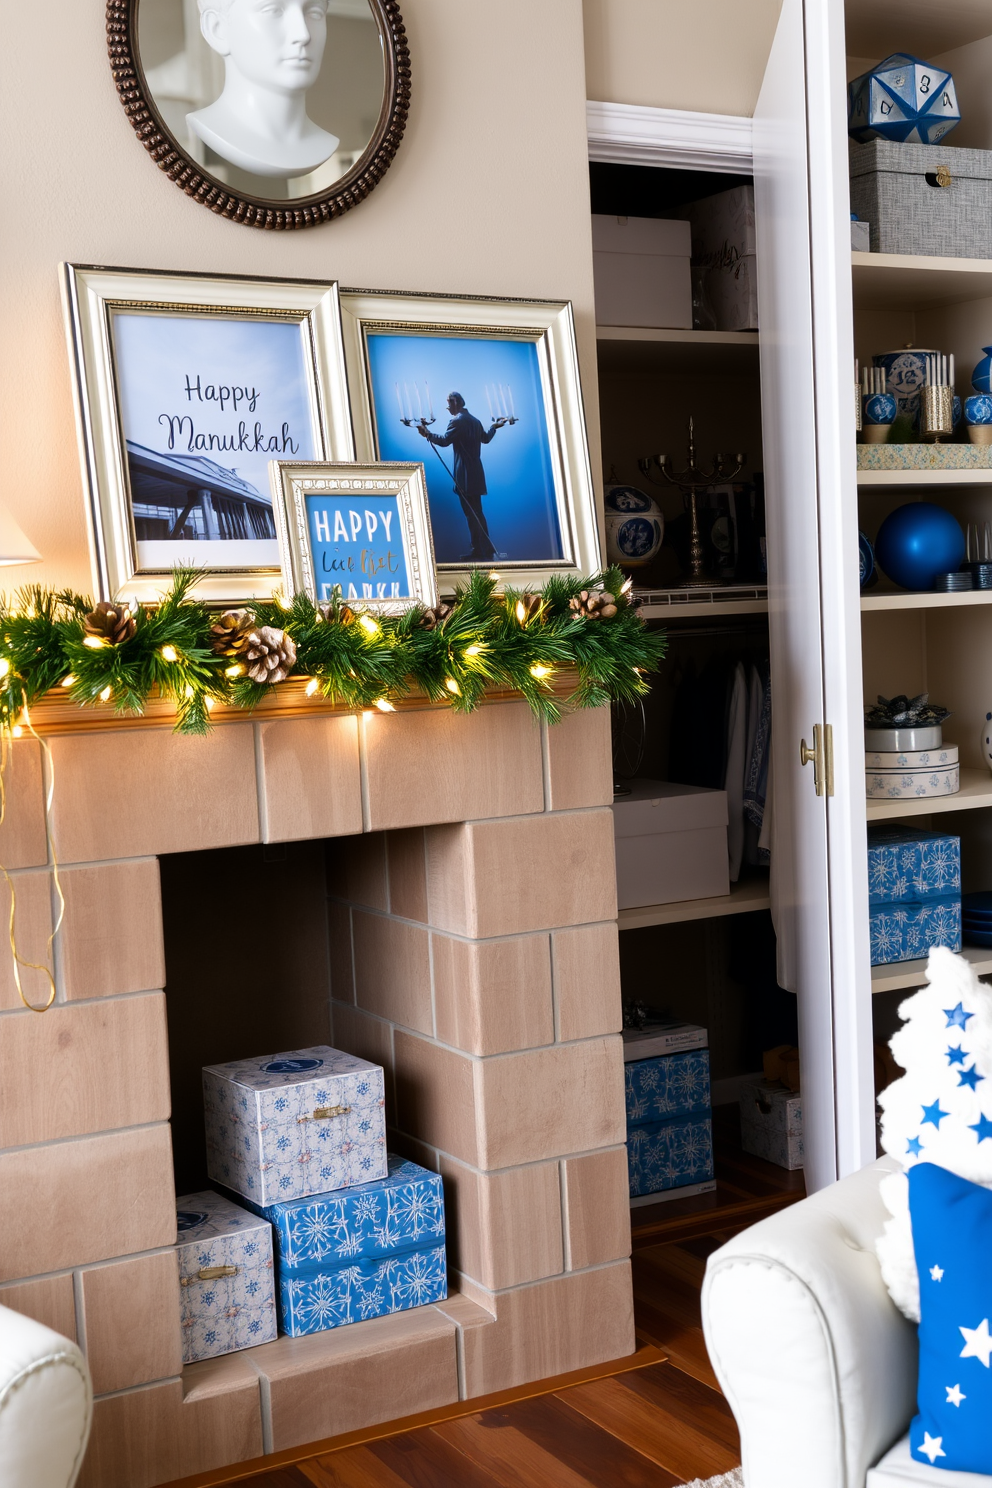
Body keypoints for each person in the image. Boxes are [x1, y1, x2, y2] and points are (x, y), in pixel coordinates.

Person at [188, 0, 339, 179]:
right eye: (273, 11)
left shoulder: (325, 144)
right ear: (217, 29)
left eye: (315, 13)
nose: (303, 34)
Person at [418, 392, 507, 562]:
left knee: (471, 514)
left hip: (465, 475)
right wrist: (494, 427)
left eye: (449, 403)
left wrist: (427, 434)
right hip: (477, 473)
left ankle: (479, 551)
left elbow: (444, 441)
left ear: (456, 402)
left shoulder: (457, 421)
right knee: (478, 512)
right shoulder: (475, 420)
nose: (448, 407)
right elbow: (486, 439)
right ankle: (485, 549)